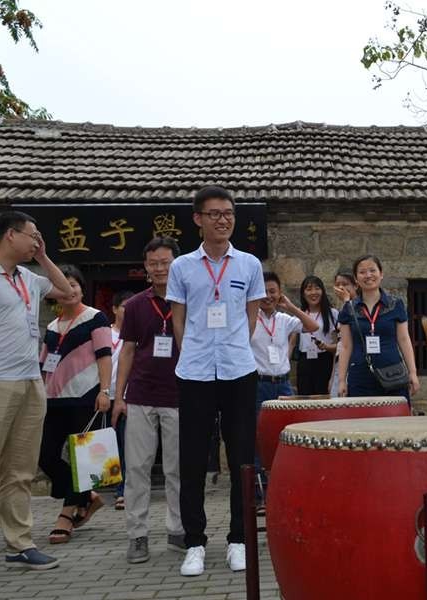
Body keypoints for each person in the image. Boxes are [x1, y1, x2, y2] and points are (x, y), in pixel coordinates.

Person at [0, 211, 75, 588]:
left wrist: (42, 257)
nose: (37, 241)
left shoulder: (28, 277)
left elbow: (67, 292)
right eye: (32, 236)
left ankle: (19, 542)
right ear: (10, 235)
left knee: (20, 471)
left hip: (29, 382)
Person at [166, 185, 266, 577]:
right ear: (198, 219)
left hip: (239, 371)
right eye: (214, 213)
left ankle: (239, 540)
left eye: (228, 213)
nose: (223, 219)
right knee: (192, 459)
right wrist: (193, 350)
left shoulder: (249, 265)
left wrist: (234, 348)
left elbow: (252, 315)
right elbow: (178, 318)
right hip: (194, 373)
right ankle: (194, 543)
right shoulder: (182, 267)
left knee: (241, 457)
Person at [112, 237, 185, 564]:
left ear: (177, 264)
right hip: (140, 395)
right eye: (153, 263)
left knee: (177, 468)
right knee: (138, 469)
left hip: (178, 395)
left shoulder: (187, 300)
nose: (160, 268)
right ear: (145, 268)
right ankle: (137, 535)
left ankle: (178, 528)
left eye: (165, 262)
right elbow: (127, 351)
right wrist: (119, 396)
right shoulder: (136, 306)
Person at [38, 265, 113, 545]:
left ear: (82, 288)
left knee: (85, 461)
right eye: (64, 286)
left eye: (75, 285)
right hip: (54, 400)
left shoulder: (96, 318)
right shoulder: (51, 327)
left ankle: (67, 515)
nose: (70, 291)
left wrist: (105, 391)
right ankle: (87, 496)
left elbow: (105, 355)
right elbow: (44, 365)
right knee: (45, 456)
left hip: (86, 396)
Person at [251, 272, 318, 486]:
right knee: (260, 438)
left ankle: (286, 483)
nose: (267, 296)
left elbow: (312, 326)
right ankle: (262, 490)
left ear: (279, 293)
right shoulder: (250, 318)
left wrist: (289, 306)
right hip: (259, 384)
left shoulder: (284, 319)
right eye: (263, 291)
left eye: (272, 291)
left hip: (283, 385)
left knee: (289, 435)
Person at [337, 255, 419, 401]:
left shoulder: (395, 304)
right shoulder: (348, 309)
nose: (368, 275)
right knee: (362, 421)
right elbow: (345, 346)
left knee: (394, 421)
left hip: (393, 374)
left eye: (372, 270)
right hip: (360, 376)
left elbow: (404, 339)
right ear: (356, 279)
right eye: (362, 272)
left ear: (381, 274)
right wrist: (342, 380)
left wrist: (412, 372)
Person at [110, 289, 134, 511]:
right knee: (104, 447)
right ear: (115, 309)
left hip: (125, 398)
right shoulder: (105, 334)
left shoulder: (134, 336)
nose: (128, 310)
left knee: (124, 446)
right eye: (124, 306)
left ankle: (122, 490)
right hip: (104, 397)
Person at [295, 276, 338, 395]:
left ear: (323, 291)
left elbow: (339, 345)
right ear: (303, 293)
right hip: (305, 361)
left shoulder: (332, 314)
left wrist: (328, 347)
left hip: (325, 361)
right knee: (304, 401)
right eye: (309, 289)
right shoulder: (300, 314)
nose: (313, 292)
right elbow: (292, 342)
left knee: (324, 401)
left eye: (317, 288)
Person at [330, 270, 357, 397]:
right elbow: (340, 346)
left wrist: (347, 300)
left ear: (355, 285)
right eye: (337, 284)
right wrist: (333, 376)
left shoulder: (357, 306)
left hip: (354, 362)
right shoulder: (341, 309)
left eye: (345, 284)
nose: (341, 287)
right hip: (340, 363)